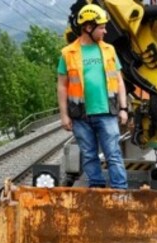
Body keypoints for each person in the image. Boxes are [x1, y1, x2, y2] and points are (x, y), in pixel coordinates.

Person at [57, 3, 129, 189]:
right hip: (81, 115)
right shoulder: (68, 53)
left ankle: (120, 190)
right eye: (102, 27)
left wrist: (123, 108)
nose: (105, 31)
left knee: (113, 154)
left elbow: (120, 82)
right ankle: (97, 187)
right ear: (88, 28)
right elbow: (62, 86)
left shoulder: (109, 50)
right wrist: (64, 115)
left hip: (107, 112)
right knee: (89, 155)